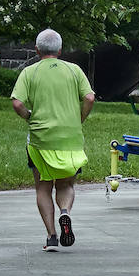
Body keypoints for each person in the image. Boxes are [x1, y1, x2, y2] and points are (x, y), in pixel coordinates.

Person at [11, 29, 95, 251]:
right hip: (70, 138)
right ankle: (65, 212)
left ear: (37, 50)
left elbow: (17, 103)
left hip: (41, 140)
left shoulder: (30, 72)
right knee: (66, 184)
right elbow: (89, 97)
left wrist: (29, 117)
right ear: (60, 50)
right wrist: (80, 118)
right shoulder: (74, 70)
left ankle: (51, 236)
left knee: (43, 187)